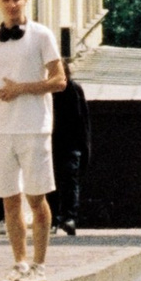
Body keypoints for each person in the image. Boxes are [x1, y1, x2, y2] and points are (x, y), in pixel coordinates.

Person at [0, 0, 66, 281]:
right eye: (6, 0)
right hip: (1, 130)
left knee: (36, 198)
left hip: (34, 127)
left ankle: (40, 264)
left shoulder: (41, 36)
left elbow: (60, 80)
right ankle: (20, 263)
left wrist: (22, 89)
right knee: (8, 201)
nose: (12, 5)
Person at [52, 39, 90, 237]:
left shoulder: (73, 90)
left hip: (68, 144)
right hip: (53, 142)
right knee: (55, 181)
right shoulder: (47, 91)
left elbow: (82, 121)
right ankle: (57, 218)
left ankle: (67, 217)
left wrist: (84, 147)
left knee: (67, 181)